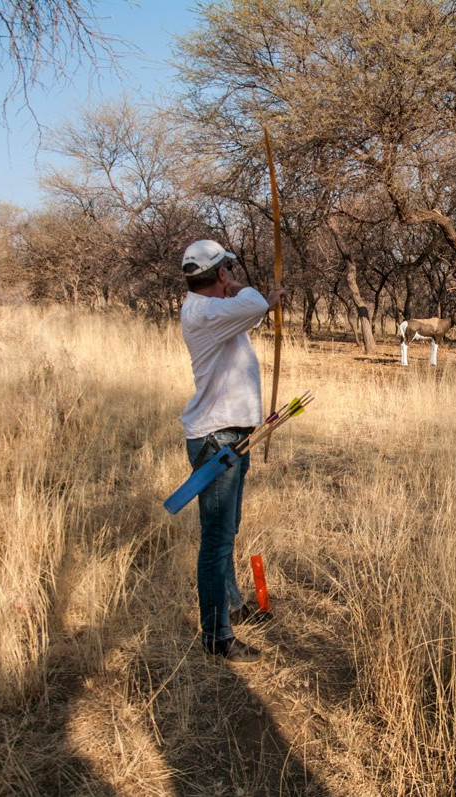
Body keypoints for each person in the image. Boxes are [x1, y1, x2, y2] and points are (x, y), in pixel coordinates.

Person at [179, 239, 285, 663]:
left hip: (229, 436)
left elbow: (249, 311)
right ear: (220, 274)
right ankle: (217, 636)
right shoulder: (204, 311)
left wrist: (260, 303)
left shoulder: (210, 311)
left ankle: (234, 605)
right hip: (216, 440)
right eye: (226, 271)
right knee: (216, 542)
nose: (230, 278)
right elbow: (250, 302)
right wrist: (248, 293)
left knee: (228, 531)